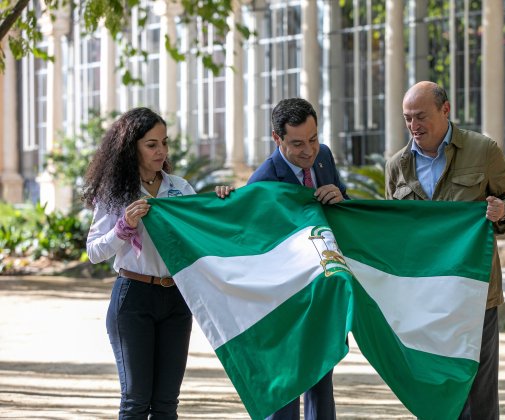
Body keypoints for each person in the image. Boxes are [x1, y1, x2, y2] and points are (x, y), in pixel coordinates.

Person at [384, 81, 505, 420]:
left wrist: (502, 211)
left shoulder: (483, 150)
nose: (414, 126)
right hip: (424, 297)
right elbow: (393, 230)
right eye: (407, 119)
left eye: (421, 116)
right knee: (434, 386)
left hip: (475, 294)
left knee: (478, 393)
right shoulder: (396, 166)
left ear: (445, 110)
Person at [216, 97, 347, 420]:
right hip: (282, 301)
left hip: (320, 293)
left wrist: (340, 199)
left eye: (313, 139)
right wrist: (226, 204)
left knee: (321, 377)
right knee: (286, 381)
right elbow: (245, 243)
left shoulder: (324, 157)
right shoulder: (263, 182)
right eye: (298, 143)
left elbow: (345, 214)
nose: (309, 150)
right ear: (277, 139)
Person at [83, 107, 195, 419]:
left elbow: (202, 236)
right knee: (135, 401)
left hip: (177, 300)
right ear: (132, 147)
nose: (161, 151)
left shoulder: (181, 189)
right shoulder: (117, 193)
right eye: (151, 144)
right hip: (133, 298)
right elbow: (94, 251)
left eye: (165, 142)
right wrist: (123, 228)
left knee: (166, 405)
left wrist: (222, 200)